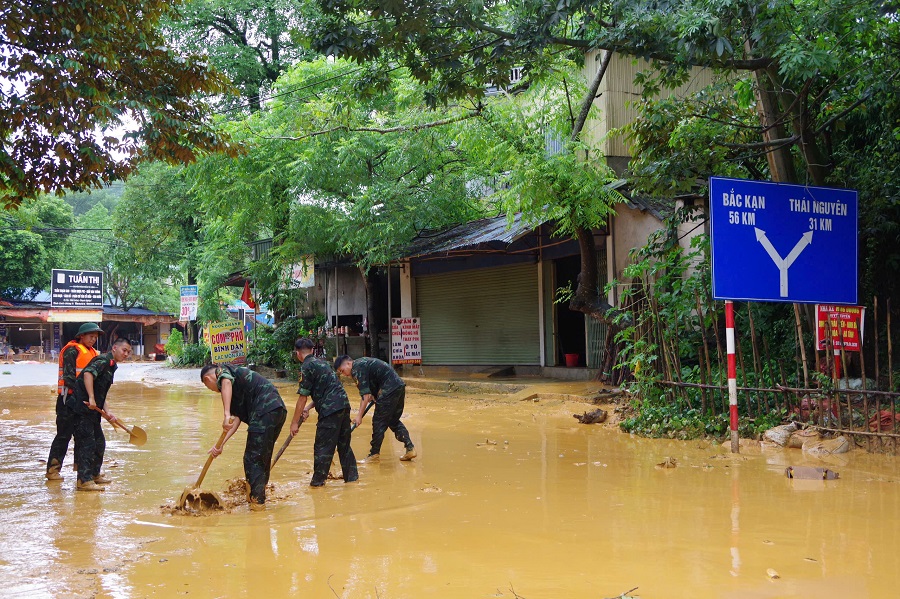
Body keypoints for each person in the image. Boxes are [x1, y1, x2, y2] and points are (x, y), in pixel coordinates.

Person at [201, 362, 287, 510]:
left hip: (264, 409)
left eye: (209, 387)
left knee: (252, 458)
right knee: (261, 456)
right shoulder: (234, 393)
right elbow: (235, 421)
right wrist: (220, 445)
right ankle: (256, 495)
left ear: (208, 379)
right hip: (277, 410)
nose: (213, 390)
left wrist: (226, 413)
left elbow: (226, 382)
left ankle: (257, 504)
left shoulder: (223, 371)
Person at [289, 337, 358, 487]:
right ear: (312, 351)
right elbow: (324, 391)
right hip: (344, 406)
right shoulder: (323, 363)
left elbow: (302, 397)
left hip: (330, 411)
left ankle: (317, 484)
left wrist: (294, 423)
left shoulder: (306, 367)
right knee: (344, 445)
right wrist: (307, 408)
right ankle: (352, 480)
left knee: (322, 448)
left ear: (298, 354)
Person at [68, 337, 132, 492]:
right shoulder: (103, 360)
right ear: (114, 348)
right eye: (124, 350)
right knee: (87, 443)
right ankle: (84, 480)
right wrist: (90, 397)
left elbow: (100, 393)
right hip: (82, 408)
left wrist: (108, 413)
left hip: (92, 410)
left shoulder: (111, 366)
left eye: (129, 352)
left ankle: (94, 474)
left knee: (99, 442)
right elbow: (88, 374)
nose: (126, 354)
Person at [46, 322, 103, 481]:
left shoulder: (93, 353)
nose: (93, 339)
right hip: (68, 400)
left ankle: (83, 472)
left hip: (84, 400)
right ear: (81, 336)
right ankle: (53, 470)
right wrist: (84, 397)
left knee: (84, 436)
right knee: (64, 435)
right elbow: (70, 378)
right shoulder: (71, 351)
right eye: (91, 336)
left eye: (95, 337)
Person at [334, 355, 416, 462]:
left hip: (388, 389)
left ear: (348, 364)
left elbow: (365, 396)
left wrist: (359, 416)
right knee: (393, 421)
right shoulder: (361, 363)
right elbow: (372, 384)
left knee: (378, 422)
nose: (344, 374)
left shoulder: (356, 369)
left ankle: (374, 454)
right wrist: (374, 394)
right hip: (398, 386)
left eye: (342, 370)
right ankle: (410, 448)